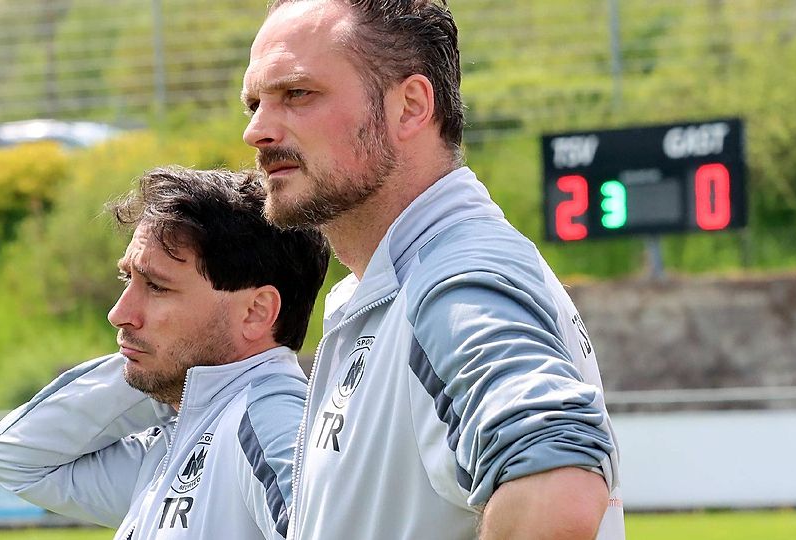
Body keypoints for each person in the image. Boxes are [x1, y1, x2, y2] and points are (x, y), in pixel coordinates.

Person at [240, 1, 624, 539]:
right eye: (254, 103)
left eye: (297, 94)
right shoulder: (394, 284)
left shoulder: (453, 281)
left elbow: (557, 485)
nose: (257, 130)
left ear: (411, 106)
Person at [0, 166, 330, 540]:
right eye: (127, 279)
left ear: (255, 312)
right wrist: (177, 386)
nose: (118, 313)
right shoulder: (181, 436)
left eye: (157, 287)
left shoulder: (267, 416)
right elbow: (16, 458)